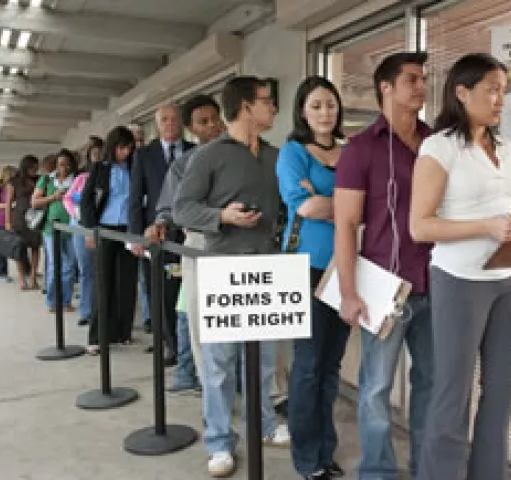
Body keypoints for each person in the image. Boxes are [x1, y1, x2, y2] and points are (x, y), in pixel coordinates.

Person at [409, 53, 511, 480]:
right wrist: (488, 225)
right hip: (460, 280)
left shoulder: (507, 149)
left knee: (500, 393)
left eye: (504, 89)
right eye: (492, 89)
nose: (501, 99)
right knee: (452, 396)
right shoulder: (439, 147)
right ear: (462, 92)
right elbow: (419, 226)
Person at [173, 76, 290, 478]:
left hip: (267, 267)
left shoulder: (276, 156)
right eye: (266, 102)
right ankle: (220, 441)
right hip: (222, 268)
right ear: (244, 106)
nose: (273, 108)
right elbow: (182, 209)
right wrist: (222, 217)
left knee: (262, 361)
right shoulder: (207, 156)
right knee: (220, 362)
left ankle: (265, 424)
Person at [333, 52, 434, 480]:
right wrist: (349, 293)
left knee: (432, 384)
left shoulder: (437, 144)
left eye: (424, 79)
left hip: (436, 285)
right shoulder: (359, 149)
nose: (421, 86)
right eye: (411, 79)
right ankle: (377, 472)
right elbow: (346, 224)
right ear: (385, 87)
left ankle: (429, 466)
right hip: (386, 290)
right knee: (375, 388)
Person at [278, 76, 349, 480]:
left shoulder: (351, 151)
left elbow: (368, 204)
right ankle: (307, 460)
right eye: (317, 105)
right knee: (308, 365)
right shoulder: (291, 152)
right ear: (303, 111)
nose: (325, 112)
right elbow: (304, 208)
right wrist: (346, 203)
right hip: (306, 267)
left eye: (331, 104)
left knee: (331, 365)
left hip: (345, 267)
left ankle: (326, 450)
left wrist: (328, 201)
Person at [148, 94, 225, 395]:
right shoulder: (184, 165)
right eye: (203, 123)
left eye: (215, 119)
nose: (212, 127)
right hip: (200, 243)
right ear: (192, 129)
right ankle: (211, 391)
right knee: (198, 318)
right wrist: (160, 223)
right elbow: (170, 207)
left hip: (242, 243)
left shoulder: (243, 154)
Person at [130, 105, 196, 366]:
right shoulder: (144, 155)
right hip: (156, 233)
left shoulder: (195, 151)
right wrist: (136, 236)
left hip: (189, 231)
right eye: (164, 120)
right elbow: (135, 198)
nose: (169, 123)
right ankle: (172, 346)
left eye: (174, 119)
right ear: (157, 124)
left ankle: (190, 345)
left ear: (182, 122)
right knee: (161, 291)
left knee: (187, 290)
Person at [80, 126, 138, 354]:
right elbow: (86, 202)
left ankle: (123, 333)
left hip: (129, 230)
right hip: (104, 229)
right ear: (113, 147)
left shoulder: (134, 167)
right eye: (122, 148)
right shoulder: (99, 169)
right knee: (103, 284)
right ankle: (97, 336)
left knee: (126, 284)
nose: (126, 152)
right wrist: (91, 230)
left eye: (129, 148)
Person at [32, 149, 77, 312]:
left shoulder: (76, 180)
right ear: (55, 165)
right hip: (51, 229)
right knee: (56, 265)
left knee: (70, 265)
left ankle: (65, 301)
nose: (63, 167)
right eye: (60, 164)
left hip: (72, 229)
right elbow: (35, 202)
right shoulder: (46, 180)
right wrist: (54, 197)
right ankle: (52, 301)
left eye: (66, 164)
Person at [64, 141, 103, 326]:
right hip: (80, 225)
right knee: (86, 269)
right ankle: (86, 311)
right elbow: (68, 198)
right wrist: (76, 212)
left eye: (100, 153)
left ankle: (104, 310)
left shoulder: (110, 176)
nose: (97, 157)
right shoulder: (82, 178)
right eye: (94, 154)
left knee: (103, 270)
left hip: (103, 226)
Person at [5, 155, 42, 291]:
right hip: (19, 218)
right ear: (26, 166)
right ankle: (21, 279)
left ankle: (32, 277)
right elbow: (8, 203)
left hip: (36, 218)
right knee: (20, 250)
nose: (36, 169)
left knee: (35, 247)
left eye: (37, 167)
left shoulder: (39, 179)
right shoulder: (14, 181)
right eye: (33, 167)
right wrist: (8, 221)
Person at [0, 165, 16, 283]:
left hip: (16, 220)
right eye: (14, 174)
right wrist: (9, 205)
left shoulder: (15, 187)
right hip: (1, 221)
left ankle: (27, 270)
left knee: (22, 246)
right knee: (2, 248)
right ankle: (2, 273)